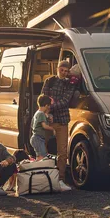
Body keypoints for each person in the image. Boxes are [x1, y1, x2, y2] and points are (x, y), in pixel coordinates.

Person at [41, 60, 77, 192]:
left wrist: (49, 107)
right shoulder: (49, 81)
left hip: (61, 120)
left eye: (67, 71)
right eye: (62, 70)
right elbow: (43, 97)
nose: (64, 73)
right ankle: (44, 178)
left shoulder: (70, 84)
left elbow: (65, 101)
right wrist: (46, 110)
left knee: (62, 152)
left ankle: (61, 179)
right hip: (47, 120)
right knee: (42, 148)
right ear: (57, 69)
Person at [30, 94, 55, 161]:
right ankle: (40, 169)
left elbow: (32, 125)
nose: (49, 107)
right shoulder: (41, 114)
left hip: (35, 138)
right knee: (43, 157)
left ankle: (37, 168)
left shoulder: (37, 113)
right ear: (46, 105)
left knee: (39, 156)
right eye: (49, 105)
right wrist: (53, 129)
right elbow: (44, 126)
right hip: (38, 139)